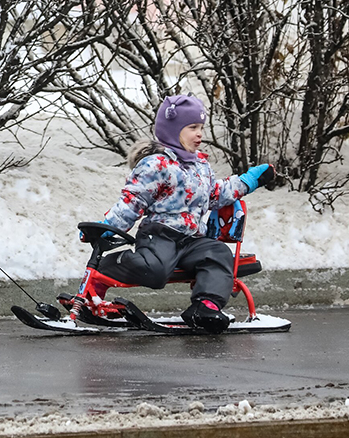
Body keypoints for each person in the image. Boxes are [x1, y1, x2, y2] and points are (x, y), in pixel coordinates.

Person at [71, 94, 275, 334]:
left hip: (191, 240)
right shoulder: (156, 165)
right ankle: (104, 268)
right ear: (172, 130)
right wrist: (106, 227)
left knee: (218, 254)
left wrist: (248, 181)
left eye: (201, 127)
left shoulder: (201, 166)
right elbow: (132, 201)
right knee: (156, 271)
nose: (199, 134)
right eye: (192, 128)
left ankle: (205, 307)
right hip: (160, 236)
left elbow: (216, 194)